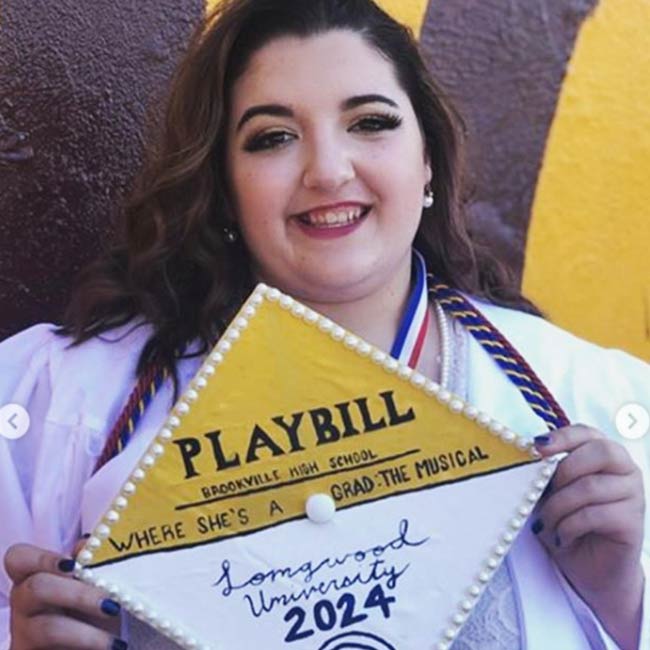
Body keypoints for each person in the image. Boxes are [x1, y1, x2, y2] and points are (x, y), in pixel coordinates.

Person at [0, 0, 648, 648]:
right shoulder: (62, 404)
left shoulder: (591, 406)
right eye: (273, 137)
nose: (329, 171)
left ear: (427, 158)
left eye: (370, 123)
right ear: (224, 185)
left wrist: (621, 597)